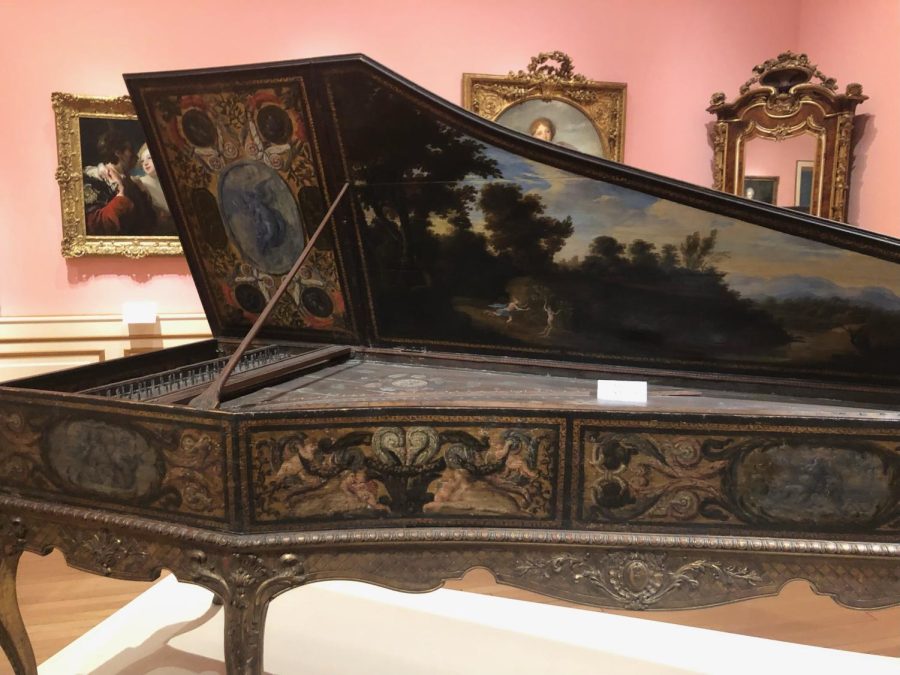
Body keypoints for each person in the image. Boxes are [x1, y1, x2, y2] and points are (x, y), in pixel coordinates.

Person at [82, 130, 156, 236]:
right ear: (118, 153)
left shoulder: (134, 183)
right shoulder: (95, 180)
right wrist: (120, 196)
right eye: (130, 150)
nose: (135, 156)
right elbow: (93, 225)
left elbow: (148, 220)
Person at [136, 144, 176, 234]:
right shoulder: (139, 183)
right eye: (142, 161)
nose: (145, 163)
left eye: (149, 158)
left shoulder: (171, 180)